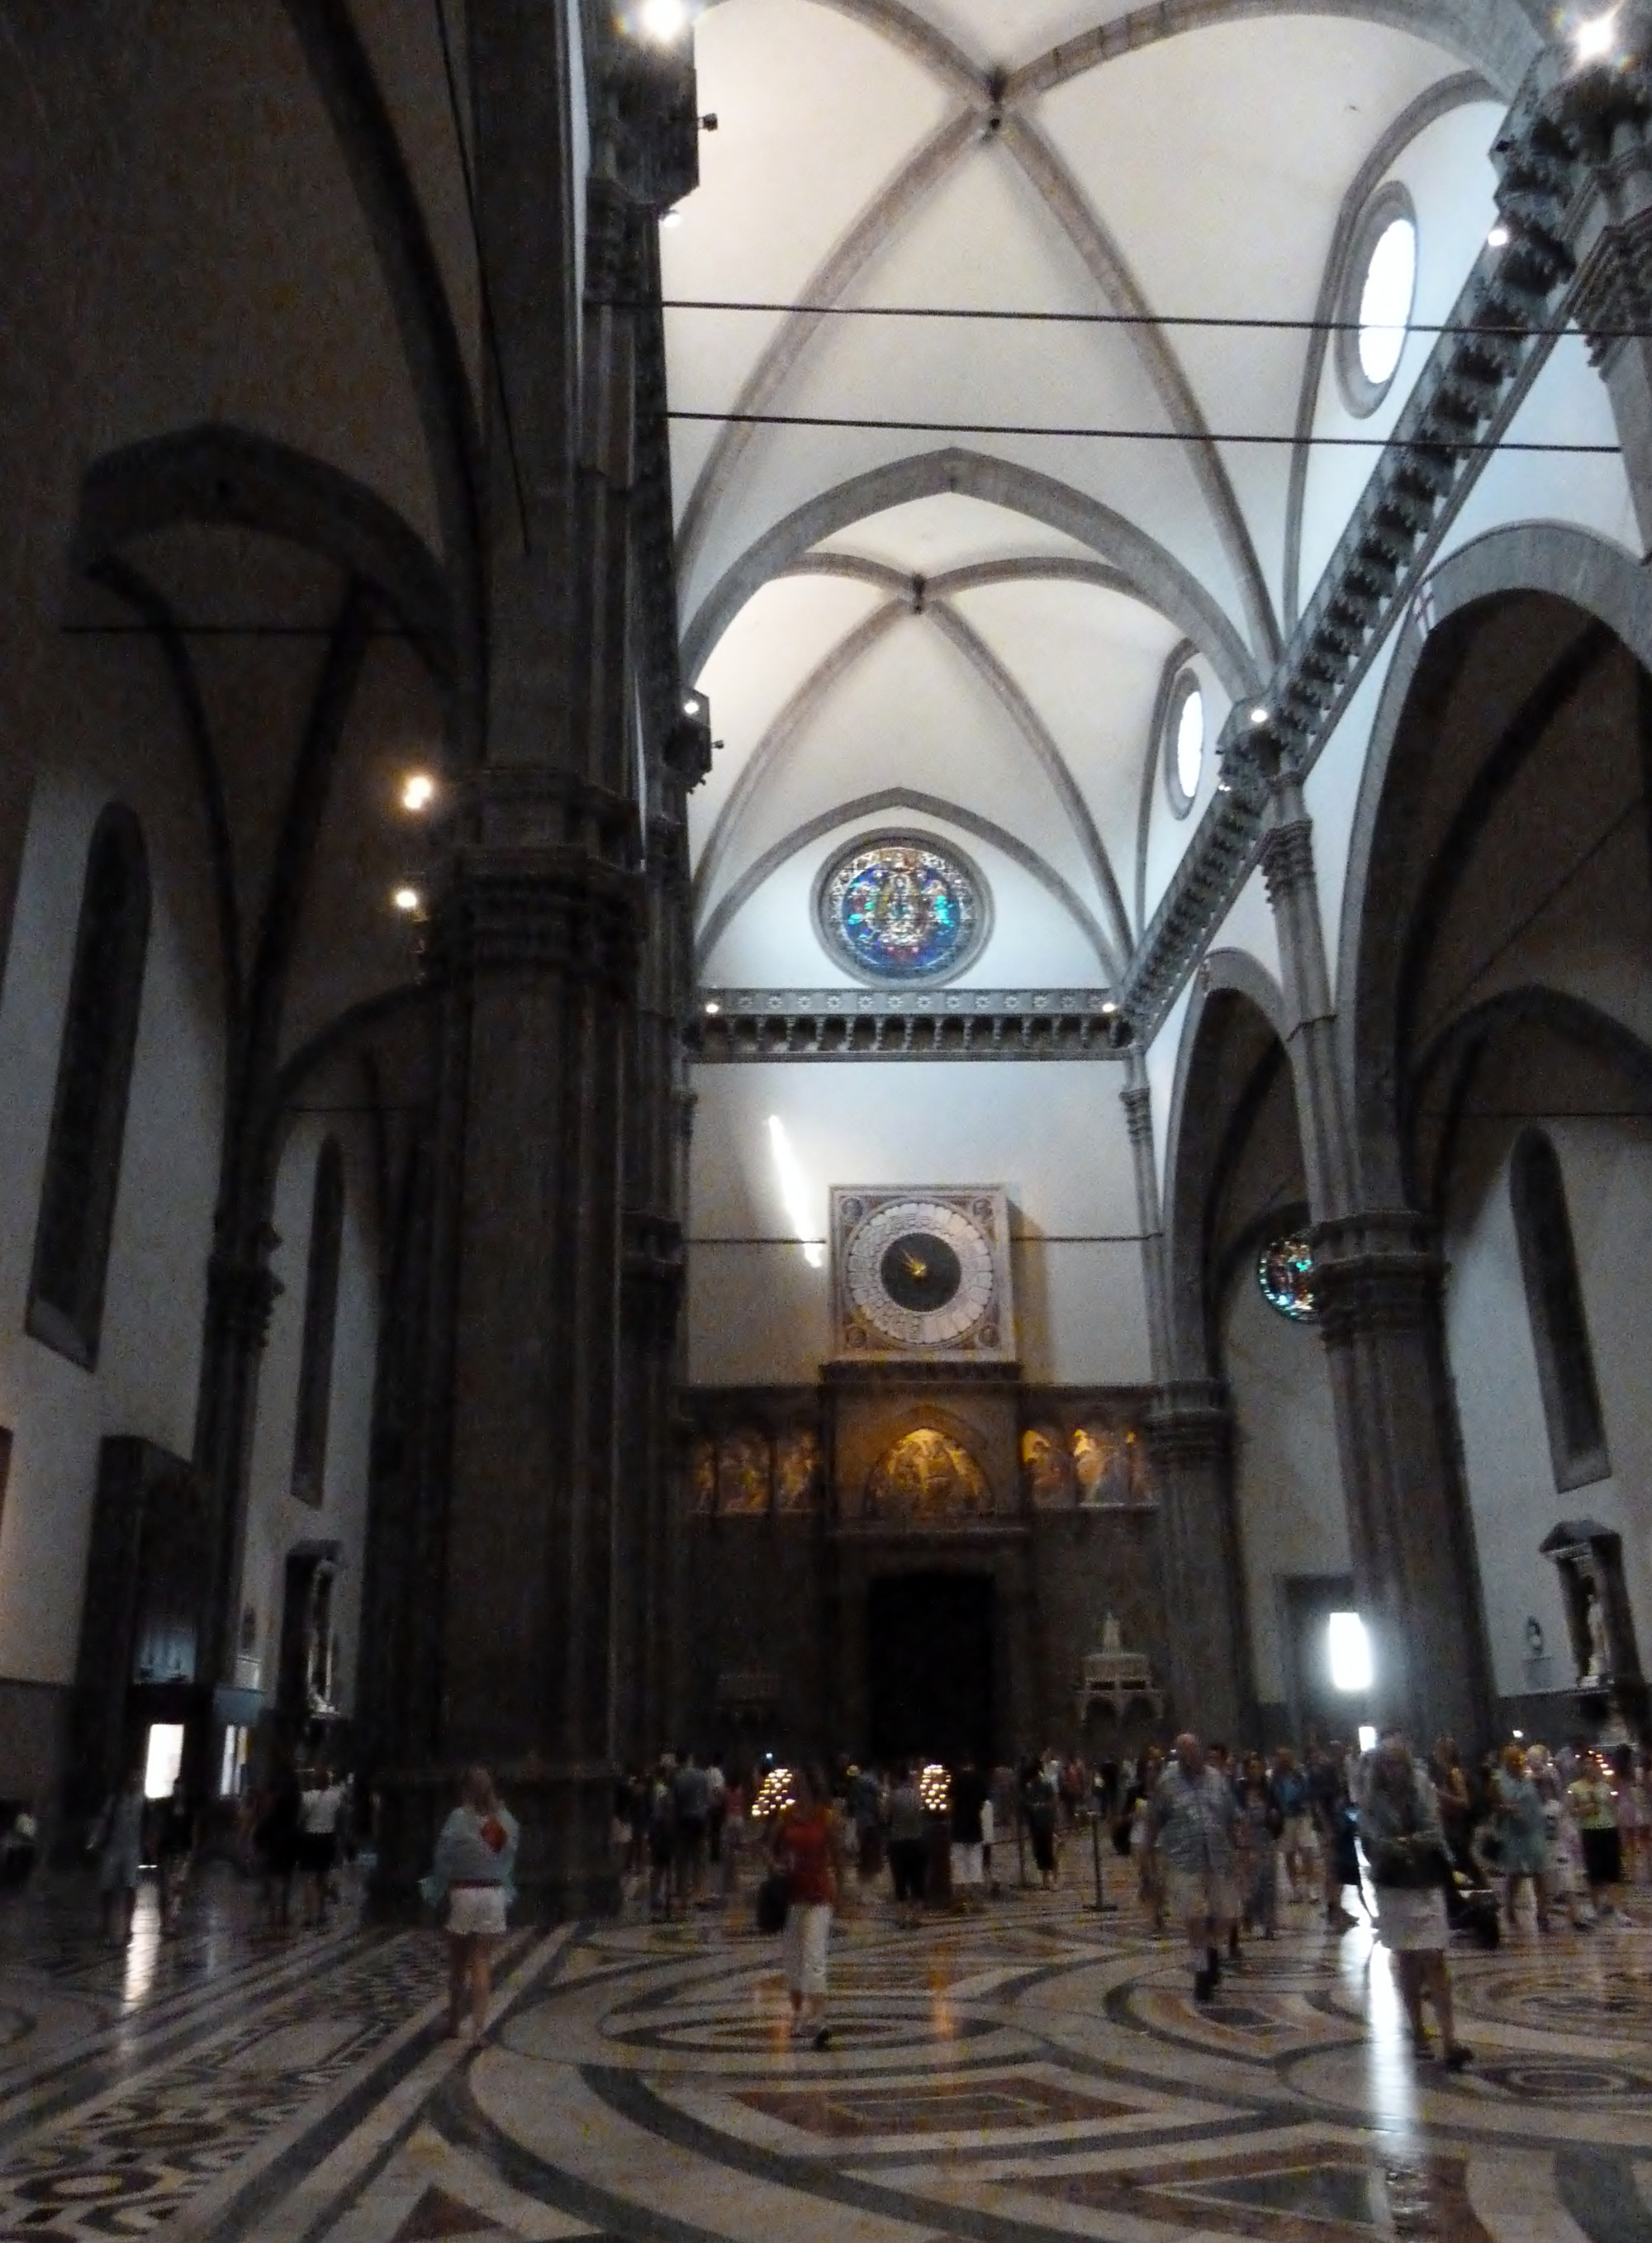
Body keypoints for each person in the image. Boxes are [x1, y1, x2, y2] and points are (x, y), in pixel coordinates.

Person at [1361, 1729, 1472, 2070]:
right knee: (1407, 1959)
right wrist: (1405, 1844)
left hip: (1426, 1881)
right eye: (1388, 1765)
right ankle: (1419, 2031)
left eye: (1399, 1764)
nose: (1394, 1770)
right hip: (1393, 1885)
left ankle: (1450, 2040)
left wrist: (1404, 1843)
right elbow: (1372, 1839)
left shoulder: (1422, 1785)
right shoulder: (1371, 1796)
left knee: (1434, 1956)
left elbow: (1433, 1832)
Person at [423, 1766, 518, 2039]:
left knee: (457, 1962)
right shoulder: (497, 1821)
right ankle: (479, 2028)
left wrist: (434, 1889)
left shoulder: (459, 1819)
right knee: (482, 1961)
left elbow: (443, 1858)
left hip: (464, 1892)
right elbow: (505, 1858)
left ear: (464, 1790)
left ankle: (454, 2022)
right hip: (492, 1894)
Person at [1149, 1732, 1240, 2002]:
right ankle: (1201, 1969)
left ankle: (1211, 1950)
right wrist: (1147, 1859)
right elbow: (1154, 1820)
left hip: (1218, 1856)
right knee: (1194, 1916)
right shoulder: (1167, 1782)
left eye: (1193, 1751)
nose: (1189, 1758)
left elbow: (1231, 1814)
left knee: (1224, 1916)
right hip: (1183, 1860)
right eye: (1182, 1753)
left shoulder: (1216, 1778)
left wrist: (1241, 1849)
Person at [774, 1765, 838, 2047]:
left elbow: (838, 1856)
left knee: (815, 1957)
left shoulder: (827, 1817)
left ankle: (820, 2019)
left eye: (799, 1785)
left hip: (819, 1895)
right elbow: (768, 1846)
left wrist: (843, 1891)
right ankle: (799, 2014)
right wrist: (775, 1866)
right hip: (791, 1895)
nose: (794, 1790)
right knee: (794, 1960)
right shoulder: (786, 1817)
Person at [1492, 1742, 1550, 1932]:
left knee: (1540, 1874)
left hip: (1534, 1832)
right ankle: (1509, 1910)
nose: (1517, 1763)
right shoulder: (1499, 1781)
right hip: (1513, 1835)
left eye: (1519, 1759)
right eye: (1513, 1760)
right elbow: (1496, 1805)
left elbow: (1540, 1800)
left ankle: (1543, 1914)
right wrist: (1508, 1809)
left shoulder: (1528, 1779)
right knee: (1514, 1875)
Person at [1569, 1748, 1630, 1924]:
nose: (1590, 1769)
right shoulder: (1575, 1788)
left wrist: (1621, 1828)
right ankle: (1596, 1908)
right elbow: (1571, 1810)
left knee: (1614, 1873)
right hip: (1590, 1831)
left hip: (1608, 1829)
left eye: (1593, 1765)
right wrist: (1583, 1810)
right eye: (1586, 1766)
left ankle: (1618, 1909)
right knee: (1594, 1873)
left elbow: (1613, 1807)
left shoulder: (1605, 1786)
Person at [93, 1767, 146, 1946]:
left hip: (132, 1849)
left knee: (130, 1886)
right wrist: (95, 1840)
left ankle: (128, 1924)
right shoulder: (115, 1800)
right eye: (133, 1778)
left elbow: (148, 1824)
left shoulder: (142, 1802)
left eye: (138, 1779)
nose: (136, 1782)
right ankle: (105, 1923)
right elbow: (104, 1820)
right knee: (107, 1886)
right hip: (113, 1848)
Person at [1237, 1751, 1283, 1939]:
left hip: (1265, 1839)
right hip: (1247, 1841)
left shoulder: (1269, 1789)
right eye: (1251, 1768)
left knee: (1269, 1883)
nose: (1254, 1771)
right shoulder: (1239, 1790)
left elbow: (1278, 1812)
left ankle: (1269, 1924)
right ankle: (1249, 1912)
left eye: (1257, 1767)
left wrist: (1274, 1817)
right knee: (1252, 1884)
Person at [299, 1765, 345, 1927]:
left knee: (308, 1878)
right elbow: (340, 1816)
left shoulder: (307, 1797)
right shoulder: (336, 1797)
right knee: (323, 1876)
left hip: (311, 1837)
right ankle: (321, 1912)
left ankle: (308, 1915)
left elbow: (302, 1817)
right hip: (328, 1838)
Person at [155, 1777, 197, 1936]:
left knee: (178, 1887)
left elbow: (193, 1831)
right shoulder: (166, 1808)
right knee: (165, 1886)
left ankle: (172, 1920)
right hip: (167, 1850)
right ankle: (165, 1919)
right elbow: (160, 1827)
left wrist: (192, 1851)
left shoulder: (189, 1810)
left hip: (183, 1851)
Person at [887, 1764, 927, 1926]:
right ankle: (917, 1917)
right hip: (917, 1841)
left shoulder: (893, 1797)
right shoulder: (917, 1796)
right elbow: (923, 1814)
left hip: (898, 1843)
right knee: (918, 1880)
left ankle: (902, 1917)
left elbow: (885, 1816)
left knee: (900, 1881)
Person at [949, 1754, 989, 1908]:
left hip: (959, 1826)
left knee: (959, 1863)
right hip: (975, 1825)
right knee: (975, 1863)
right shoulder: (979, 1780)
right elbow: (984, 1800)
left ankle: (961, 1901)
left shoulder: (956, 1779)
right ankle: (977, 1901)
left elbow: (950, 1799)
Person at [1021, 1756, 1059, 1890]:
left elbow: (1054, 1801)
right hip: (1035, 1824)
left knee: (1048, 1851)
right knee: (1039, 1853)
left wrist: (1041, 1806)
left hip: (1046, 1823)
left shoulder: (1046, 1784)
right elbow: (1026, 1803)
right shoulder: (1030, 1787)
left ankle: (1054, 1879)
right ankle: (1044, 1880)